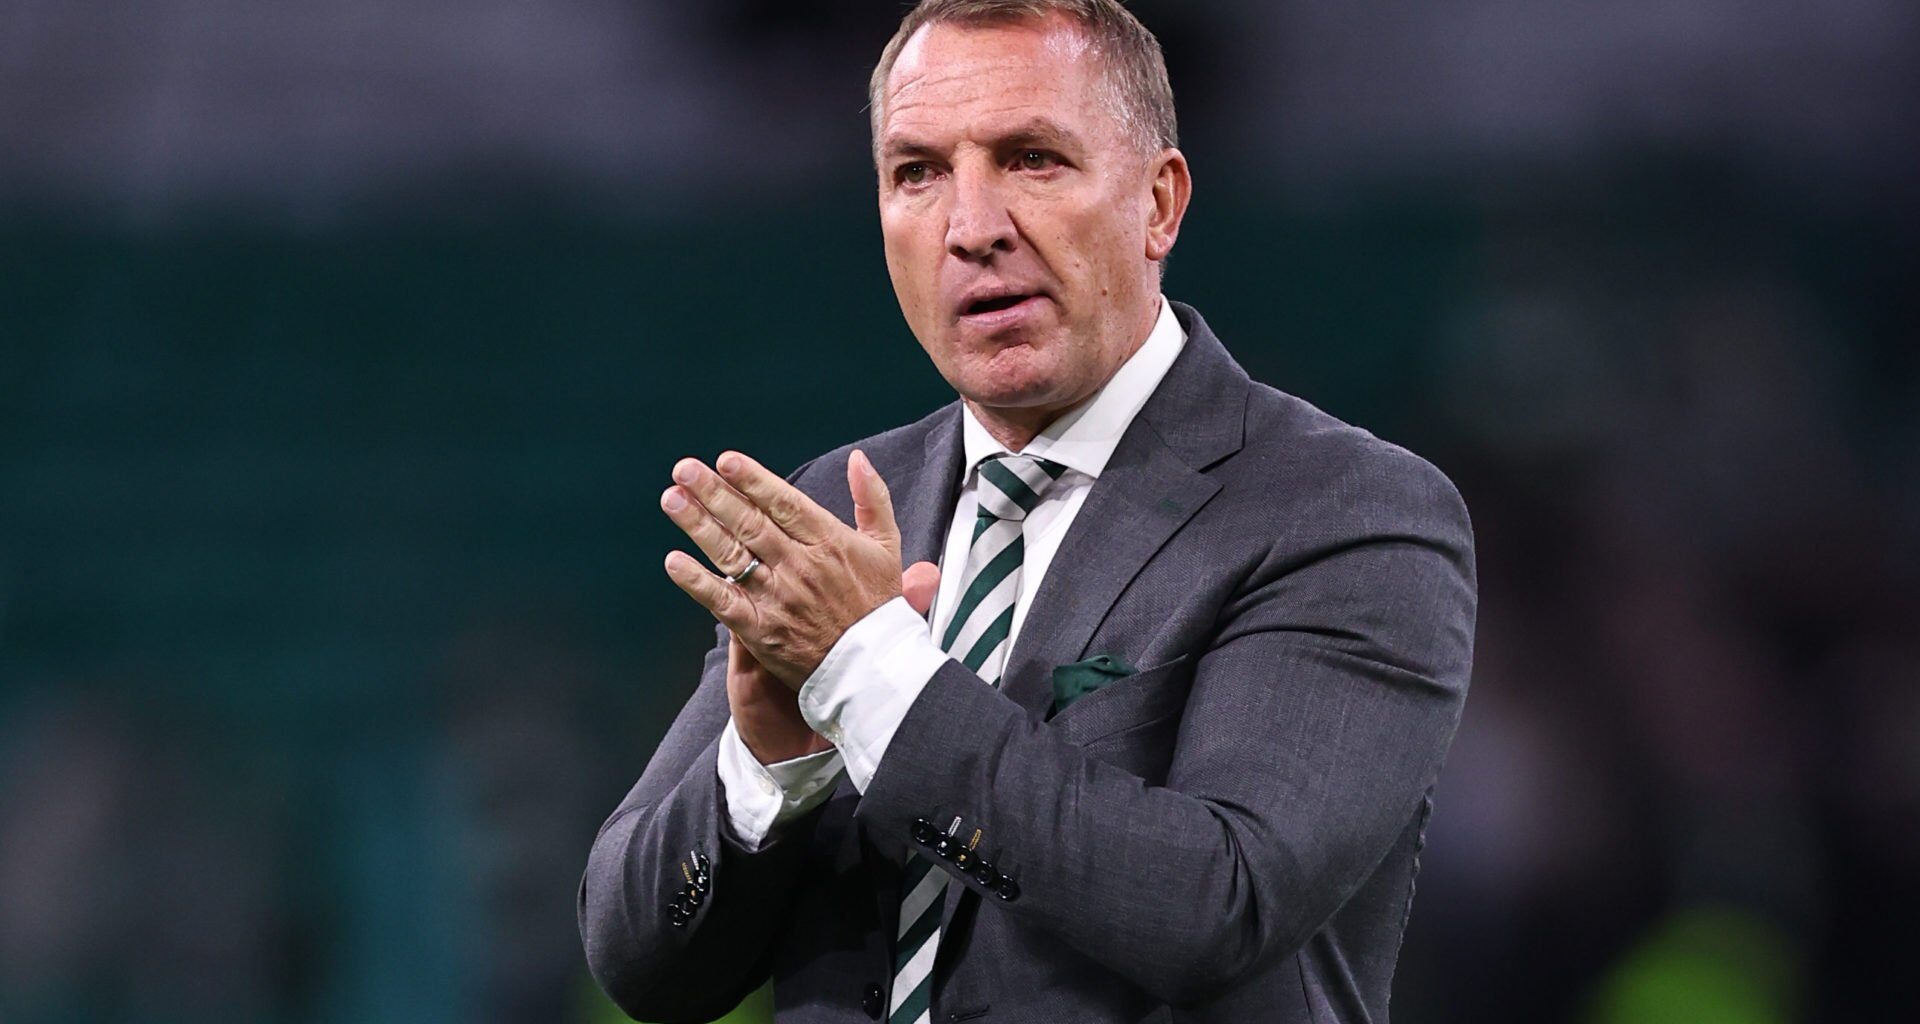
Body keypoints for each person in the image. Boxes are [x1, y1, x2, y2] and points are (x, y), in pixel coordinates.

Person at [578, 1, 1477, 1021]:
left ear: (1159, 204)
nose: (972, 229)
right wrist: (770, 764)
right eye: (918, 173)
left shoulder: (1346, 513)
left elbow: (1218, 907)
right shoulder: (840, 509)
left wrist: (870, 678)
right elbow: (639, 960)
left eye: (1032, 159)